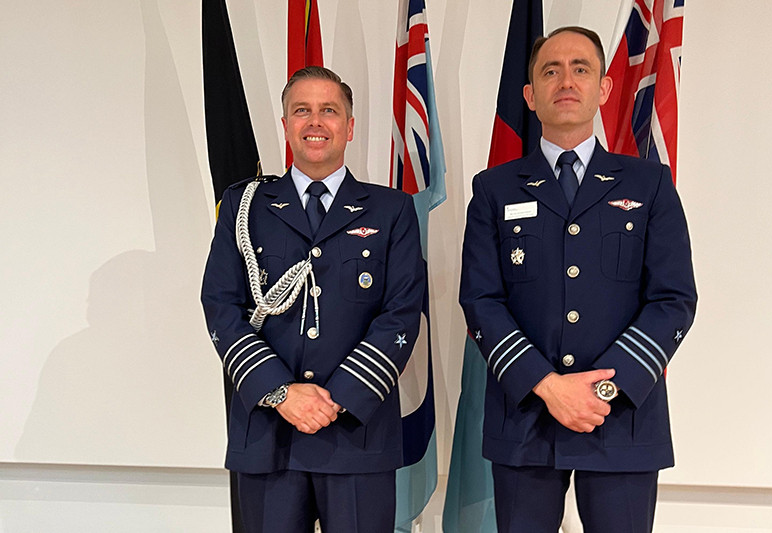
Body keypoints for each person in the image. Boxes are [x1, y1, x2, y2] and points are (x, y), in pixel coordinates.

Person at [459, 26, 697, 533]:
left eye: (580, 68)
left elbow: (673, 299)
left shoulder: (649, 184)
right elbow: (481, 300)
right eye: (550, 70)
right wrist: (548, 386)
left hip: (623, 418)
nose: (565, 80)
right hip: (526, 415)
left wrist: (603, 391)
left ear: (604, 88)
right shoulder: (493, 189)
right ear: (530, 95)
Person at [201, 66, 425, 533]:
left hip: (357, 433)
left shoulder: (391, 210)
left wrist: (336, 399)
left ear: (349, 126)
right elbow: (221, 306)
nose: (315, 121)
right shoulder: (245, 205)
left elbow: (401, 312)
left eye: (329, 110)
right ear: (285, 124)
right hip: (268, 433)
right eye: (302, 111)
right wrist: (282, 393)